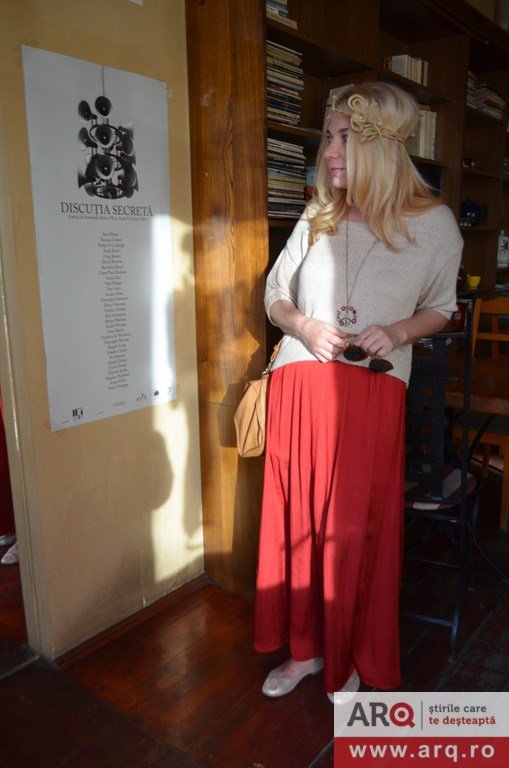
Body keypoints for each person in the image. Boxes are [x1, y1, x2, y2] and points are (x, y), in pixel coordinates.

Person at [253, 82, 462, 701]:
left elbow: (441, 307)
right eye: (329, 137)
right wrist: (303, 325)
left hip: (370, 393)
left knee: (351, 533)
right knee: (297, 524)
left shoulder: (435, 225)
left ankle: (344, 653)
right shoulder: (318, 212)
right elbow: (274, 293)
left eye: (344, 138)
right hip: (301, 385)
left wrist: (397, 331)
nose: (330, 152)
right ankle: (304, 650)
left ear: (382, 146)